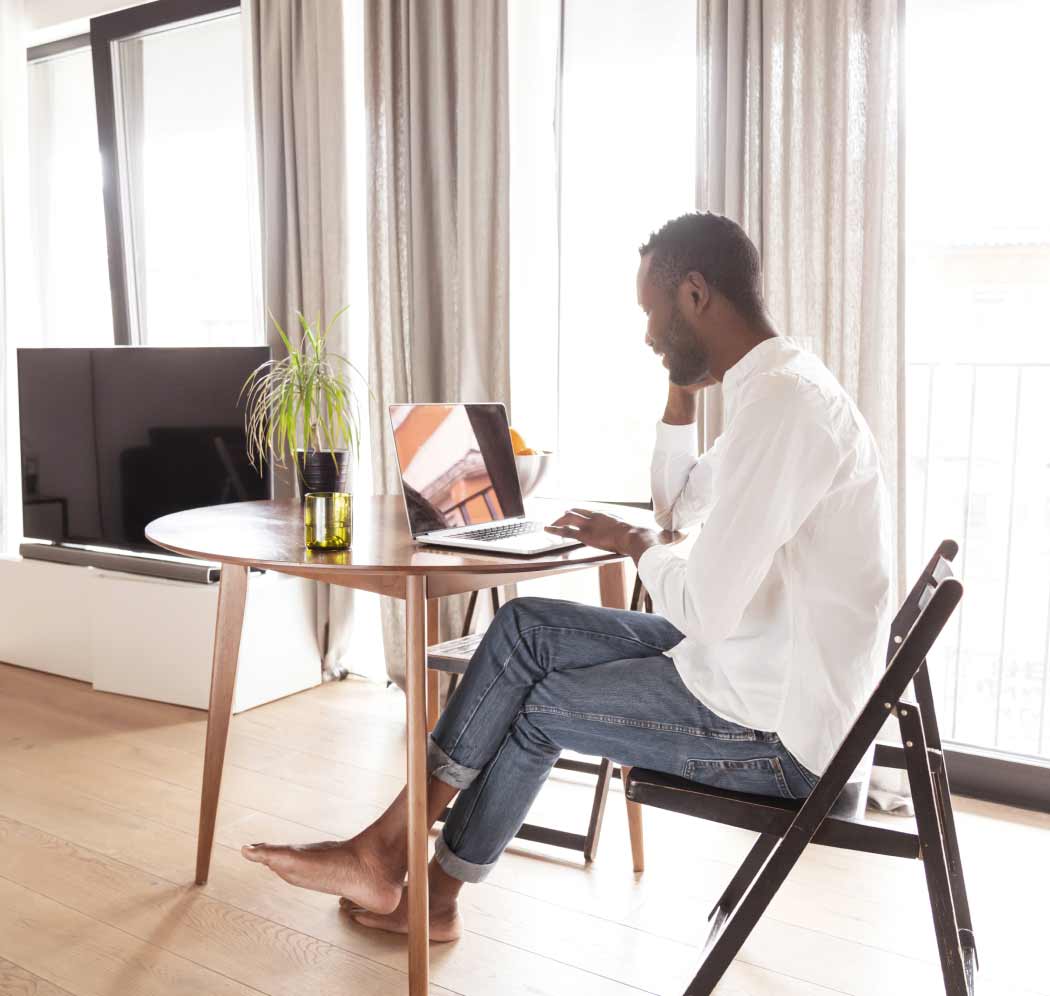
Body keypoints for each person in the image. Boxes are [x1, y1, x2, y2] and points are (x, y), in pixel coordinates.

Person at [241, 212, 892, 942]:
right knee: (524, 626)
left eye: (652, 311)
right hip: (750, 666)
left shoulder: (784, 408)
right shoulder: (774, 388)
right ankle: (387, 851)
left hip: (778, 734)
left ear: (696, 296)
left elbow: (701, 600)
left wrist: (636, 542)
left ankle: (431, 891)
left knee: (540, 703)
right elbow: (680, 506)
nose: (647, 335)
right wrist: (681, 394)